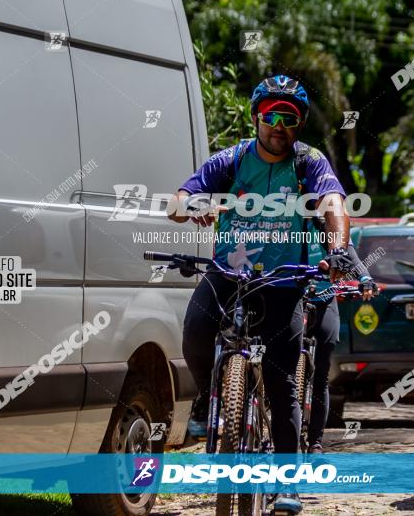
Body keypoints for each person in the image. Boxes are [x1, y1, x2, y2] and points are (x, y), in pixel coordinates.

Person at [168, 75, 354, 514]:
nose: (279, 125)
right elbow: (178, 200)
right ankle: (207, 398)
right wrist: (192, 206)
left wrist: (339, 249)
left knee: (284, 383)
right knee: (195, 331)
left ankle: (286, 482)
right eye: (271, 115)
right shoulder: (231, 160)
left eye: (289, 118)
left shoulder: (309, 163)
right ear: (256, 118)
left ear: (299, 124)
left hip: (283, 282)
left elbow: (334, 205)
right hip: (229, 274)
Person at [300, 243, 378, 454]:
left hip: (324, 301)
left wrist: (365, 278)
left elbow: (350, 252)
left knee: (321, 375)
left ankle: (315, 441)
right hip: (290, 300)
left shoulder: (332, 223)